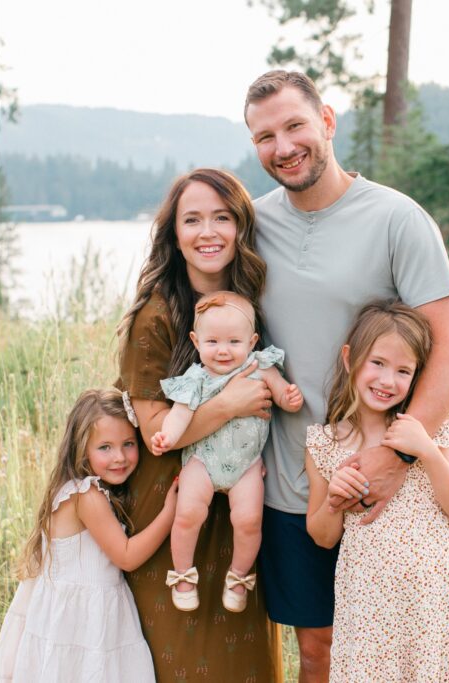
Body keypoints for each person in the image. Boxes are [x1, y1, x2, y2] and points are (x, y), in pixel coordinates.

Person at [243, 70, 449, 680]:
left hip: (388, 490)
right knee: (319, 652)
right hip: (296, 488)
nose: (283, 146)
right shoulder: (251, 227)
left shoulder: (398, 219)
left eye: (294, 125)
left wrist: (395, 460)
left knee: (404, 655)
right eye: (265, 136)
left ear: (327, 121)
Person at [115, 168, 281, 681]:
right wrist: (231, 403)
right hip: (177, 497)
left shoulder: (255, 298)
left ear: (240, 227)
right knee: (180, 654)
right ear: (174, 233)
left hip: (242, 502)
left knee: (243, 651)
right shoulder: (157, 314)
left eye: (221, 217)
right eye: (192, 220)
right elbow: (155, 432)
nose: (208, 232)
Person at [305, 300, 449, 681]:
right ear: (350, 359)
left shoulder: (432, 429)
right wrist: (332, 503)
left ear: (417, 376)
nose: (387, 380)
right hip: (371, 612)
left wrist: (425, 449)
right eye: (377, 363)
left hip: (438, 604)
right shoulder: (324, 443)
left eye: (403, 370)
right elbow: (323, 536)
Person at [0, 388, 177, 681]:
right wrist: (171, 512)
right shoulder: (86, 496)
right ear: (82, 449)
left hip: (77, 613)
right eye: (105, 447)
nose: (119, 457)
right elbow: (127, 556)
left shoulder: (76, 489)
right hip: (82, 620)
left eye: (128, 444)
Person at [152, 291, 302, 613]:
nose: (223, 351)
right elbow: (179, 416)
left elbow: (279, 394)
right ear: (196, 341)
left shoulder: (260, 367)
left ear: (252, 341)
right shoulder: (196, 379)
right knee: (188, 514)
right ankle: (183, 575)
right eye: (213, 342)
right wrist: (167, 436)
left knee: (249, 521)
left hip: (246, 465)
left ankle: (237, 577)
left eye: (234, 342)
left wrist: (288, 398)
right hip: (202, 459)